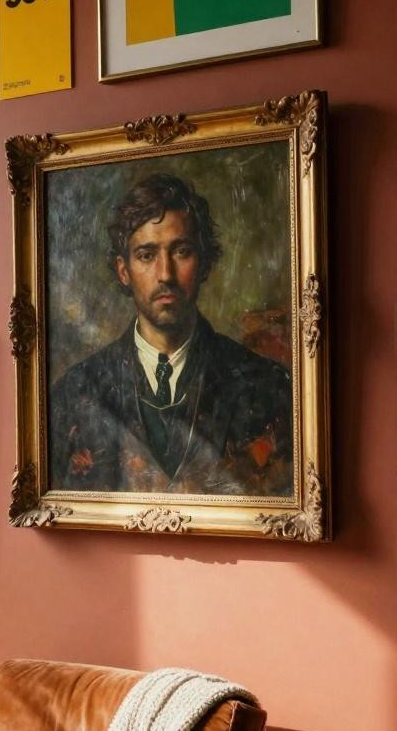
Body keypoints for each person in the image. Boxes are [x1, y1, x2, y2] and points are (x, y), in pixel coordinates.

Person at [49, 173, 293, 496]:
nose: (165, 274)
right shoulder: (73, 393)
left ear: (204, 263)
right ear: (124, 271)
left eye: (181, 251)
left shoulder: (268, 386)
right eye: (147, 255)